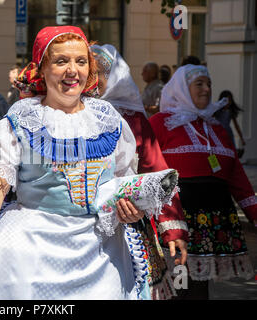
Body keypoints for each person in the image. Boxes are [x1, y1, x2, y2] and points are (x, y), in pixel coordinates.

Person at [0, 26, 182, 301]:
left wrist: (130, 208)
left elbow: (119, 184)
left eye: (80, 61)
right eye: (61, 61)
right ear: (41, 69)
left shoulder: (110, 120)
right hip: (32, 251)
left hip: (102, 255)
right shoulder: (18, 122)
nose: (72, 70)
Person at [149, 64, 256, 300]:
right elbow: (149, 170)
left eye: (209, 84)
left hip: (211, 224)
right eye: (199, 84)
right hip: (176, 220)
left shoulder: (216, 128)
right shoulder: (160, 123)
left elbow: (236, 175)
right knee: (178, 283)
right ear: (182, 89)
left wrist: (254, 212)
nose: (207, 89)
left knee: (198, 285)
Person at [92, 44, 188, 300]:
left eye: (98, 71)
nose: (90, 77)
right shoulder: (63, 114)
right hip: (78, 224)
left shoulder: (133, 121)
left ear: (114, 77)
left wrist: (173, 230)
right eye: (86, 69)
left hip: (129, 221)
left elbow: (158, 173)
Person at [214, 90, 246, 157]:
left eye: (230, 101)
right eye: (226, 101)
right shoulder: (217, 110)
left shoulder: (230, 111)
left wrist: (241, 138)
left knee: (231, 149)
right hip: (218, 132)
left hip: (228, 133)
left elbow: (236, 126)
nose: (228, 103)